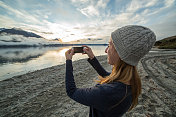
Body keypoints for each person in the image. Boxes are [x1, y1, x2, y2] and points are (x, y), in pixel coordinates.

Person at [65, 25, 156, 117]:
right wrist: (92, 57)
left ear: (120, 52)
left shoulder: (107, 93)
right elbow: (106, 75)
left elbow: (71, 91)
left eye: (109, 45)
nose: (106, 50)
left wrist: (68, 61)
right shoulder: (131, 81)